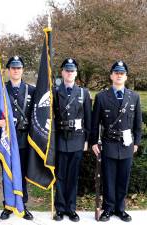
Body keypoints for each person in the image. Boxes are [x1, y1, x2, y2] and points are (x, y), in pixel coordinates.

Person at [91, 61, 142, 222]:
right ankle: (108, 208)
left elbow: (137, 124)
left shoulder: (134, 97)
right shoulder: (101, 97)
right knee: (109, 178)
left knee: (123, 178)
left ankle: (120, 209)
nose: (119, 75)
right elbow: (95, 123)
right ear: (111, 76)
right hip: (109, 143)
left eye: (122, 73)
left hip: (127, 145)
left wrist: (136, 143)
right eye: (116, 72)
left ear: (126, 76)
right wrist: (93, 142)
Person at [0, 56, 35, 220]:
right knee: (7, 172)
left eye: (18, 68)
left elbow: (35, 115)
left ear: (22, 70)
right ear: (8, 70)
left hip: (24, 138)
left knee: (22, 173)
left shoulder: (31, 90)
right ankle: (8, 205)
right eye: (13, 68)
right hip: (7, 139)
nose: (16, 70)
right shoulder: (0, 90)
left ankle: (22, 205)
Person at [53, 58, 91, 222]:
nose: (69, 73)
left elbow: (88, 119)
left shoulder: (83, 93)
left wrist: (87, 140)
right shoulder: (54, 92)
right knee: (60, 176)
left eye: (72, 70)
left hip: (77, 139)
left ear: (76, 73)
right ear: (62, 72)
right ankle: (60, 208)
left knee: (73, 176)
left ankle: (71, 208)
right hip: (61, 139)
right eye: (67, 70)